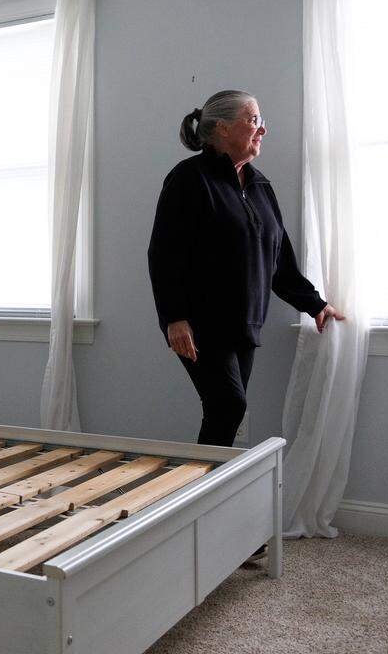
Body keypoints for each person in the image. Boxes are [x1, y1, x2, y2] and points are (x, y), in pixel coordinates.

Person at [147, 90, 343, 447]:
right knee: (228, 406)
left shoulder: (259, 186)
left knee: (225, 412)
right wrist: (174, 317)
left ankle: (206, 491)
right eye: (253, 120)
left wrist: (314, 303)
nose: (262, 129)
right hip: (201, 324)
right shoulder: (189, 179)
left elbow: (278, 258)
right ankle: (201, 493)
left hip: (244, 324)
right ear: (222, 128)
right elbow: (164, 253)